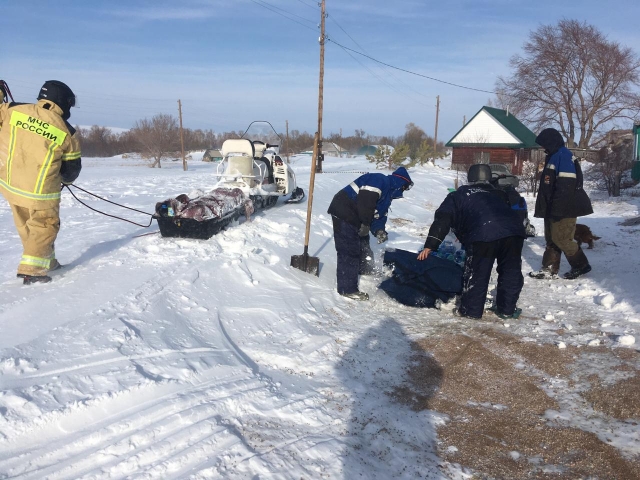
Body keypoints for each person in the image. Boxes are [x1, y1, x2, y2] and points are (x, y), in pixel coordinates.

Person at [417, 164, 526, 319]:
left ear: (470, 178)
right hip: (514, 232)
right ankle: (507, 310)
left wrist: (430, 245)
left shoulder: (458, 195)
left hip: (484, 233)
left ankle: (471, 312)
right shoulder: (499, 194)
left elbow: (443, 219)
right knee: (511, 271)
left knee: (478, 273)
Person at [0, 80, 82, 285]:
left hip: (10, 185)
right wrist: (67, 180)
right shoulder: (67, 130)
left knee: (29, 227)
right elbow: (72, 169)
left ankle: (47, 261)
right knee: (45, 226)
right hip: (41, 192)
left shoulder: (12, 110)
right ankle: (32, 270)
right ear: (63, 101)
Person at [327, 167, 414, 300]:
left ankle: (365, 268)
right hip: (344, 209)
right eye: (404, 188)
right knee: (349, 248)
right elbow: (366, 202)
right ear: (400, 183)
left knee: (363, 242)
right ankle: (347, 289)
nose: (403, 191)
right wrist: (366, 224)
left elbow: (379, 216)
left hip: (356, 215)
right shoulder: (380, 180)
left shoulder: (387, 196)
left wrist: (379, 230)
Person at [529, 128, 593, 280]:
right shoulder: (554, 156)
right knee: (552, 238)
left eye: (544, 144)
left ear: (551, 143)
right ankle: (549, 269)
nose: (543, 148)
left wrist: (557, 209)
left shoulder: (562, 156)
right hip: (554, 207)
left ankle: (581, 265)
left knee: (562, 239)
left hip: (564, 208)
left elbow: (566, 186)